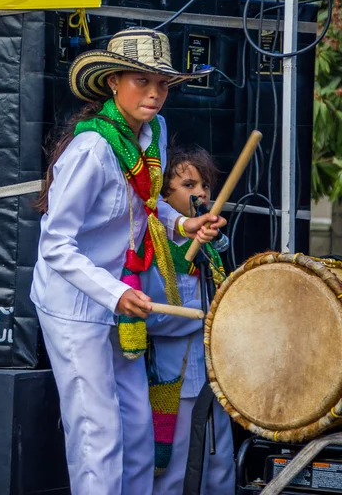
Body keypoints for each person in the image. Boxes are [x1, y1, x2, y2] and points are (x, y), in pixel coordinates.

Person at [30, 27, 227, 495]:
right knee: (97, 433)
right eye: (142, 81)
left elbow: (146, 202)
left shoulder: (152, 131)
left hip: (122, 295)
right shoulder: (92, 150)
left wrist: (184, 226)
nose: (155, 93)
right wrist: (116, 294)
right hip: (75, 306)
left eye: (162, 83)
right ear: (113, 82)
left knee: (137, 431)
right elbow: (54, 245)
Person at [142, 144, 235, 495]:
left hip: (214, 375)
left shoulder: (208, 244)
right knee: (174, 467)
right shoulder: (155, 244)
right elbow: (151, 316)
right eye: (189, 185)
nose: (201, 193)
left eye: (205, 186)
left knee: (220, 462)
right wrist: (207, 317)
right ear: (164, 193)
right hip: (174, 377)